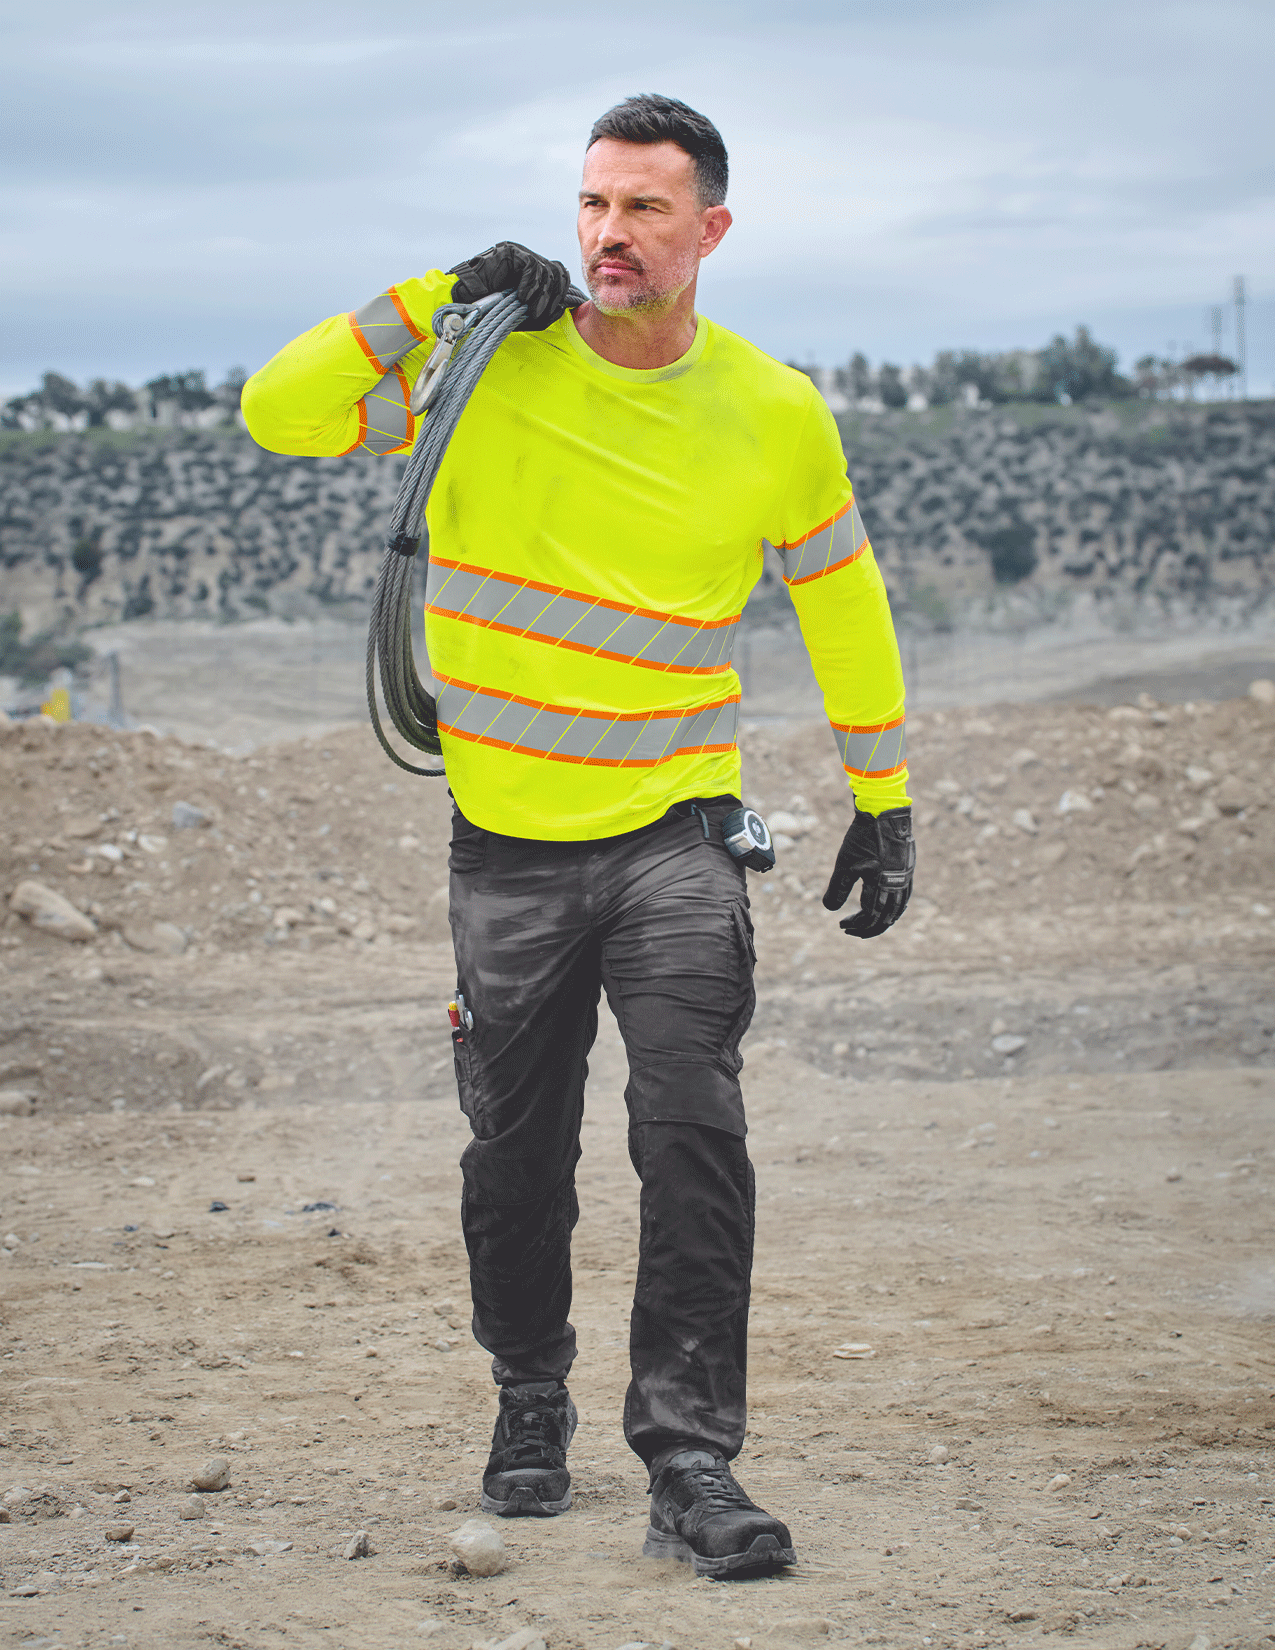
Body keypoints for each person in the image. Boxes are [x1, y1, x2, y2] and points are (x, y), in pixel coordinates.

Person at [241, 92, 913, 1581]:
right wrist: (433, 292)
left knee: (691, 1129)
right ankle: (526, 1393)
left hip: (677, 829)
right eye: (593, 205)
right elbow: (274, 413)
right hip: (505, 843)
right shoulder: (477, 368)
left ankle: (690, 1458)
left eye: (646, 209)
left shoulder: (772, 408)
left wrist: (885, 791)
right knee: (515, 1153)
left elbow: (840, 597)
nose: (609, 236)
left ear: (709, 230)